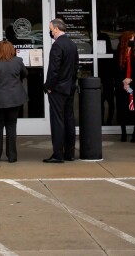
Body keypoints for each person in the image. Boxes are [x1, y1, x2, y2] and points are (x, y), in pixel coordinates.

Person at [0, 39, 27, 163]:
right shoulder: (18, 61)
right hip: (15, 98)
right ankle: (12, 156)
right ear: (11, 50)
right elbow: (25, 73)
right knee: (11, 126)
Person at [43, 18, 78, 163]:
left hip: (58, 89)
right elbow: (75, 67)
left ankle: (58, 154)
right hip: (69, 87)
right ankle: (69, 153)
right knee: (69, 120)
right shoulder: (72, 44)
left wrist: (49, 86)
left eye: (51, 29)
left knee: (57, 121)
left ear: (56, 29)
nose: (50, 32)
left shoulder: (58, 45)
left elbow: (54, 70)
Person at [116, 31, 135, 143]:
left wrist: (130, 79)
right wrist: (123, 80)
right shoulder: (118, 54)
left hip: (134, 85)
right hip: (122, 85)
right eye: (130, 39)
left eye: (133, 39)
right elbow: (116, 70)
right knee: (122, 109)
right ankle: (124, 133)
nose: (132, 41)